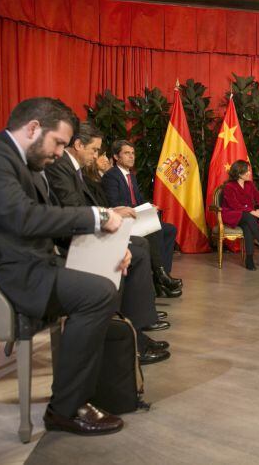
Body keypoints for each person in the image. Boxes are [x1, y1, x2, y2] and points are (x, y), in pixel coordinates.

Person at [0, 98, 127, 435]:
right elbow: (23, 218)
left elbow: (49, 228)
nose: (60, 153)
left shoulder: (24, 164)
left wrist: (108, 247)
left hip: (28, 268)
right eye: (58, 142)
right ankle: (67, 408)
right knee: (98, 293)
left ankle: (93, 386)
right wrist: (97, 216)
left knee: (109, 271)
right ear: (32, 128)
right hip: (2, 279)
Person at [44, 124, 171, 363]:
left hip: (81, 233)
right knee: (136, 250)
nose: (96, 156)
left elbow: (81, 207)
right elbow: (72, 211)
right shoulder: (62, 168)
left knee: (140, 245)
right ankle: (131, 336)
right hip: (70, 243)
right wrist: (109, 215)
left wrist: (111, 211)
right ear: (79, 145)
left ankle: (136, 328)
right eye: (94, 150)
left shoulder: (73, 169)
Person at [102, 140, 182, 297]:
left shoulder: (131, 176)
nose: (132, 157)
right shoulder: (111, 176)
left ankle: (163, 276)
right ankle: (160, 278)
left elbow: (138, 199)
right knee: (154, 231)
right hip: (124, 220)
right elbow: (114, 203)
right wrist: (137, 210)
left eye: (133, 153)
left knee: (170, 229)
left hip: (137, 218)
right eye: (127, 153)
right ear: (116, 157)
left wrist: (149, 206)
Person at [220, 160, 259, 270]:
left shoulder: (249, 184)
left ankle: (249, 259)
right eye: (246, 171)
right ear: (239, 174)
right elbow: (234, 205)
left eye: (249, 170)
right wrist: (253, 212)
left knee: (247, 226)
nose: (249, 173)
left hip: (246, 217)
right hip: (232, 214)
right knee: (248, 216)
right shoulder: (229, 186)